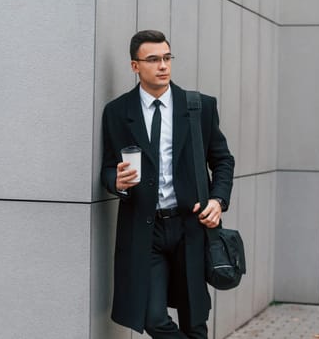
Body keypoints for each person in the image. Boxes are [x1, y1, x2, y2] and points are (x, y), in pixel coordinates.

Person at [101, 30, 235, 339]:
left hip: (191, 224)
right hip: (145, 229)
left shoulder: (198, 107)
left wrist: (218, 201)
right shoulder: (118, 112)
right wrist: (116, 181)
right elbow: (107, 168)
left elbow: (223, 160)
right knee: (153, 317)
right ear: (135, 66)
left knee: (195, 320)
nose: (162, 65)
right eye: (153, 59)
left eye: (166, 58)